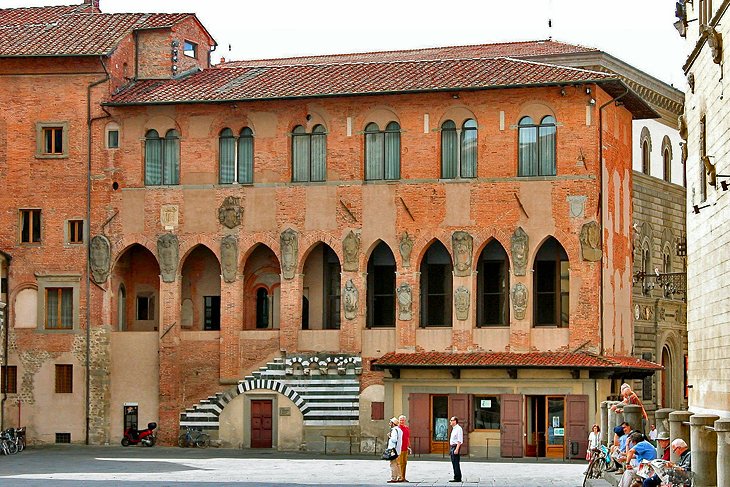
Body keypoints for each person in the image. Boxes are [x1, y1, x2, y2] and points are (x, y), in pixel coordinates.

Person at [386, 417, 403, 483]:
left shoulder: (394, 430)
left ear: (393, 424)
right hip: (398, 449)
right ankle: (400, 477)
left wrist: (390, 436)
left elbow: (394, 440)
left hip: (393, 450)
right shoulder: (399, 430)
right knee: (397, 464)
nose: (389, 424)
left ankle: (394, 478)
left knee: (393, 464)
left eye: (390, 422)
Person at [448, 416, 463, 483]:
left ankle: (458, 477)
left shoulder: (458, 429)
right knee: (453, 462)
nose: (450, 422)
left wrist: (457, 449)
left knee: (456, 462)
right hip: (452, 447)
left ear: (455, 421)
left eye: (451, 420)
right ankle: (456, 476)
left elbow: (459, 440)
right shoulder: (454, 429)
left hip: (455, 447)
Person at [398, 415, 410, 482]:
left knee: (404, 463)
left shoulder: (406, 428)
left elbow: (407, 437)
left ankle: (403, 477)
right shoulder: (397, 428)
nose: (401, 421)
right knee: (400, 463)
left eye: (403, 420)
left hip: (405, 448)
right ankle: (400, 477)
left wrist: (409, 446)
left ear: (405, 421)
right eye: (400, 420)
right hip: (399, 448)